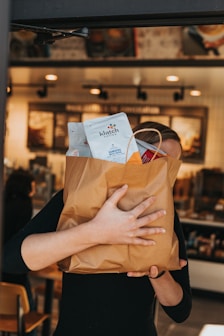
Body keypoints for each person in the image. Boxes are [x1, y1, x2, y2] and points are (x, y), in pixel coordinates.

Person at [3, 121, 192, 336]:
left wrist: (158, 274)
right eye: (157, 161)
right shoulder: (81, 196)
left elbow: (181, 310)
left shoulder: (165, 217)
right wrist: (96, 232)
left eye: (171, 167)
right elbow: (11, 261)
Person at [2, 168, 37, 336]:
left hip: (2, 277)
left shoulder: (4, 202)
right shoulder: (24, 205)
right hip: (15, 272)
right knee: (30, 311)